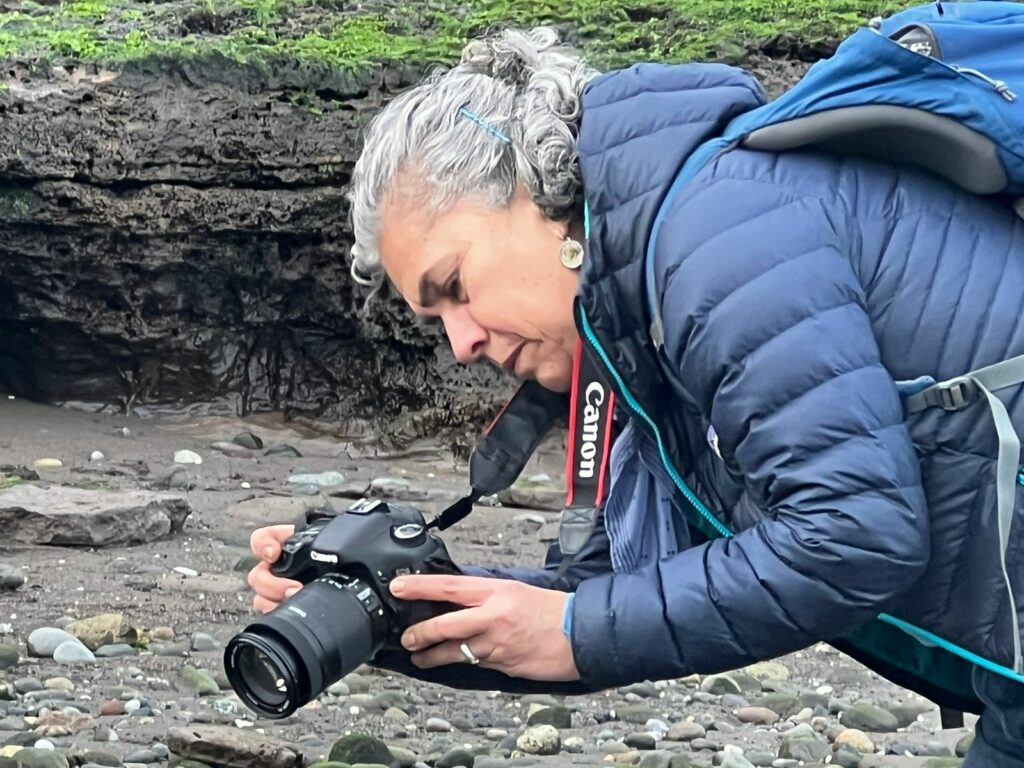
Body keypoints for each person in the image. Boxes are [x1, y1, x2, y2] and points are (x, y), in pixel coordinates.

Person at [247, 27, 1024, 766]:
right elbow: (614, 598)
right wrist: (387, 614)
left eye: (455, 288)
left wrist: (578, 629)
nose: (462, 344)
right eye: (436, 319)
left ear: (536, 192)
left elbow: (857, 532)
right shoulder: (635, 333)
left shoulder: (718, 240)